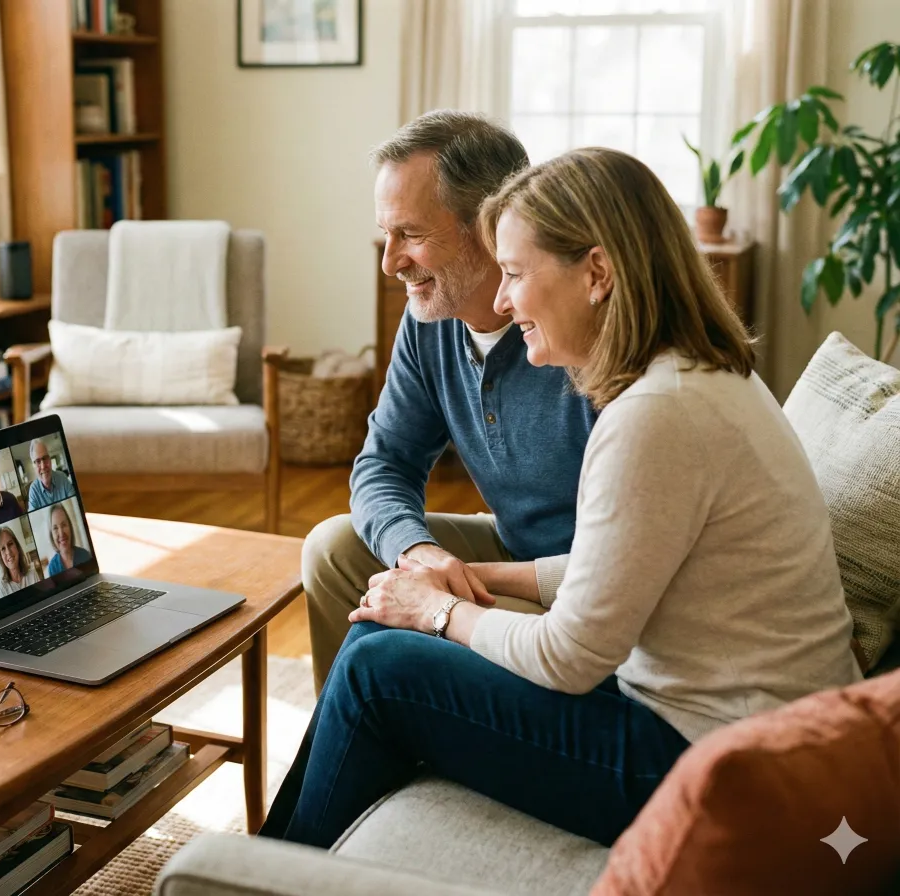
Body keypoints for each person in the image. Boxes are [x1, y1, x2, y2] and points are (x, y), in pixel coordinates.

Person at [261, 147, 862, 849]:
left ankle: (264, 874)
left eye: (515, 273)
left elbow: (572, 656)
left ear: (597, 274)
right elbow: (619, 567)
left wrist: (440, 607)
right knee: (379, 637)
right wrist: (474, 577)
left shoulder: (654, 414)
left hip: (724, 762)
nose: (503, 298)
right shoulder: (691, 379)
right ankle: (277, 859)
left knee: (374, 670)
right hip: (725, 724)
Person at [302, 111, 596, 693]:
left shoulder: (575, 328)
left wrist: (452, 591)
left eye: (410, 234)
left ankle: (395, 717)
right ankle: (355, 728)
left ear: (487, 226)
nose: (390, 262)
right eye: (387, 234)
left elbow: (628, 569)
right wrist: (420, 553)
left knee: (397, 643)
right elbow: (384, 463)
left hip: (585, 588)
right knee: (332, 548)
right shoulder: (429, 322)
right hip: (510, 553)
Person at [26, 439, 74, 511]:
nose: (43, 466)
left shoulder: (62, 477)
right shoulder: (33, 490)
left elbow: (75, 504)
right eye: (38, 461)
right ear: (34, 466)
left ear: (50, 459)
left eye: (45, 458)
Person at [46, 503, 92, 575]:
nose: (61, 533)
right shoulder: (52, 568)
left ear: (70, 527)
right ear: (51, 535)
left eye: (64, 525)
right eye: (55, 528)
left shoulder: (85, 555)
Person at [0, 525, 42, 597]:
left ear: (17, 547)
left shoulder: (32, 573)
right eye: (3, 549)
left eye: (10, 544)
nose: (8, 552)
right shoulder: (2, 586)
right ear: (0, 556)